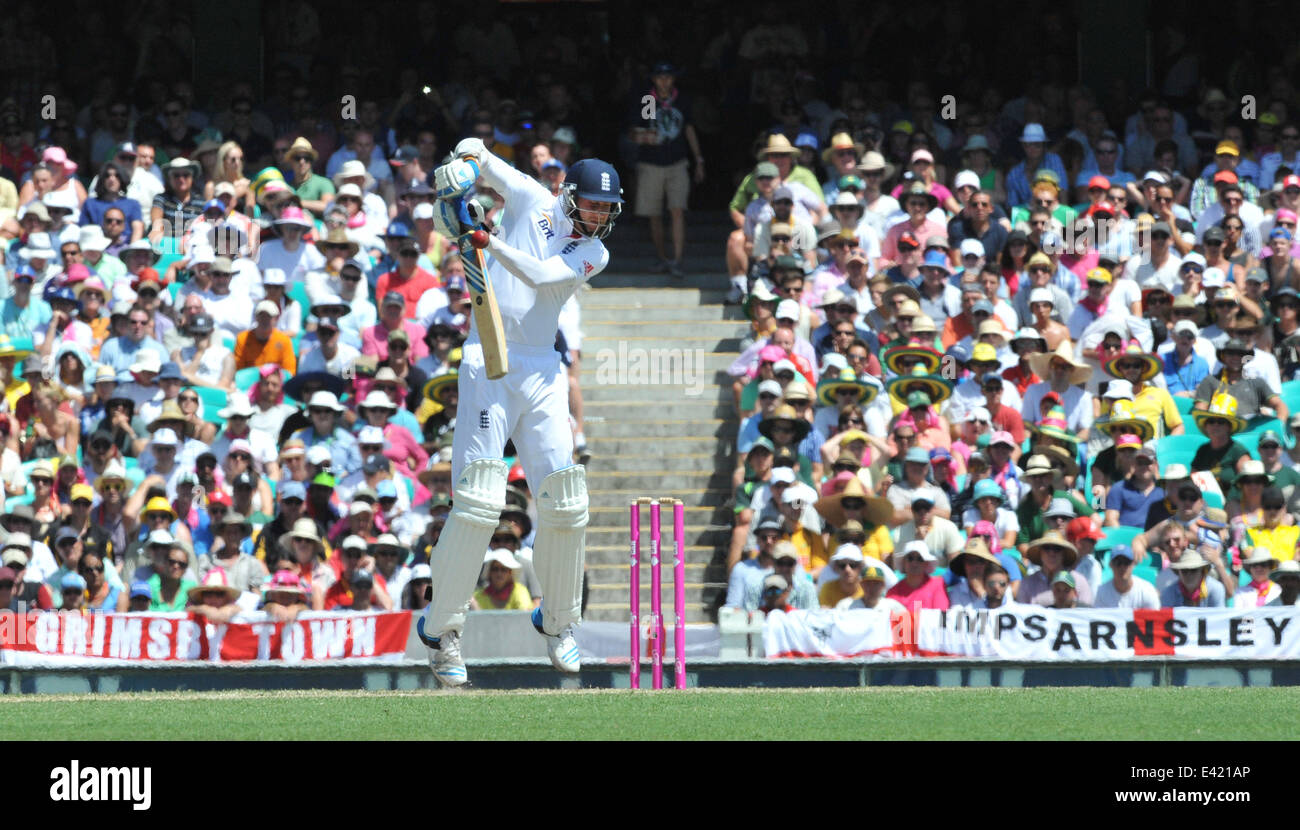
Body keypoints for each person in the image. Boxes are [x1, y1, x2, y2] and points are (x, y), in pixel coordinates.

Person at [415, 140, 623, 686]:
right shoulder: (532, 196)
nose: (598, 217)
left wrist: (485, 240)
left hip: (543, 369)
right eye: (593, 206)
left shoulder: (595, 253)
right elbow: (478, 155)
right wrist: (459, 164)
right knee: (480, 500)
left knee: (566, 499)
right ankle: (443, 630)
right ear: (568, 194)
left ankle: (558, 623)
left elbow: (545, 279)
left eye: (607, 209)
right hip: (488, 360)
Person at [885, 540, 949, 610]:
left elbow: (941, 616)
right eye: (910, 558)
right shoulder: (893, 592)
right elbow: (892, 619)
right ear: (903, 562)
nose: (914, 563)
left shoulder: (937, 584)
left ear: (926, 563)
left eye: (920, 559)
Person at [1093, 544, 1160, 609]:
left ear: (1133, 564)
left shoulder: (1147, 591)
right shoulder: (1102, 592)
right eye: (1118, 562)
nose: (1122, 567)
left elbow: (1155, 617)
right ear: (1110, 565)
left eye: (1126, 562)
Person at [1159, 550, 1226, 608]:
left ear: (1202, 572)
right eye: (1184, 571)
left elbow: (1218, 619)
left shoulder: (1215, 589)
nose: (1189, 575)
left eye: (1194, 570)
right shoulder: (1168, 593)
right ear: (1179, 573)